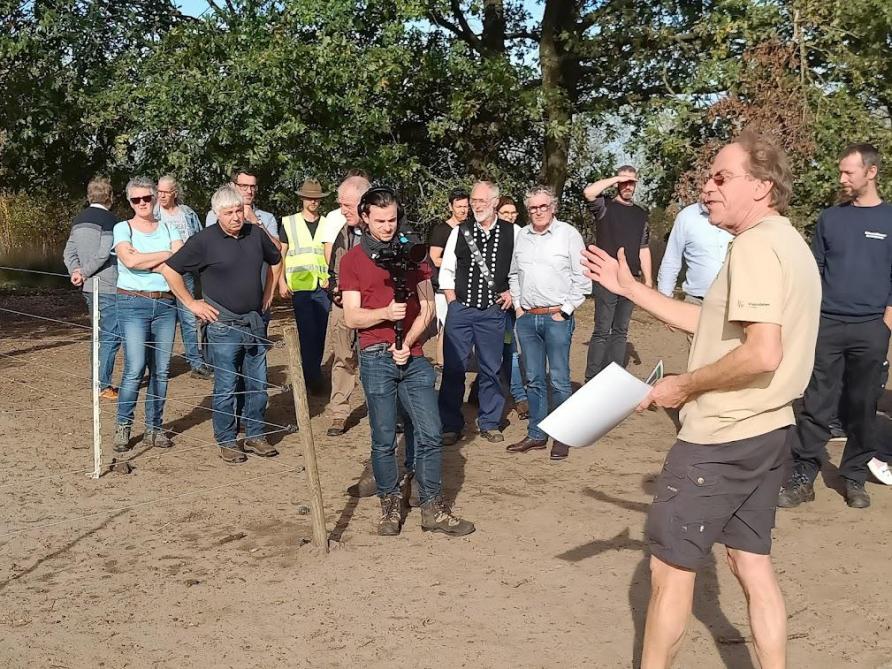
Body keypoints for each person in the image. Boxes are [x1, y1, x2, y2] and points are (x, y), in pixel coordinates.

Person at [582, 132, 820, 669]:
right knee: (751, 565)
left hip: (720, 437)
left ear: (762, 187)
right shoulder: (789, 243)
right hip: (768, 430)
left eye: (721, 177)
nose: (706, 186)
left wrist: (683, 386)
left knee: (668, 574)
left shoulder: (757, 246)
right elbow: (717, 327)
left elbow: (762, 353)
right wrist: (632, 289)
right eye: (708, 176)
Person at [339, 186, 474, 536]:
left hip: (412, 356)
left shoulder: (415, 255)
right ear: (365, 218)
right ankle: (389, 505)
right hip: (374, 357)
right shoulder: (352, 260)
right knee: (383, 438)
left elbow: (427, 307)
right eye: (381, 220)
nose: (388, 226)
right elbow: (352, 318)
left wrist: (408, 342)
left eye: (393, 219)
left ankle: (432, 507)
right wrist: (385, 313)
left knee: (430, 433)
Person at [778, 143, 892, 509]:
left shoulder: (890, 220)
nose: (842, 179)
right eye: (841, 172)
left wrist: (885, 326)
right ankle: (803, 475)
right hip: (827, 324)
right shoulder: (831, 219)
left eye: (849, 172)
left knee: (862, 405)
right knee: (816, 404)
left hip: (871, 328)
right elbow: (816, 272)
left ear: (871, 172)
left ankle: (854, 476)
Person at [159, 185, 282, 464]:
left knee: (258, 383)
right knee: (226, 385)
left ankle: (255, 434)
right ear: (217, 213)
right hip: (223, 325)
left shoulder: (255, 234)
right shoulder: (204, 240)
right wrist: (192, 304)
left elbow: (276, 259)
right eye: (229, 213)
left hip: (254, 321)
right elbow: (170, 270)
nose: (236, 217)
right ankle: (227, 440)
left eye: (239, 211)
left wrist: (268, 293)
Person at [506, 186, 590, 460]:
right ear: (528, 210)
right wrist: (519, 307)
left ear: (553, 207)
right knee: (533, 379)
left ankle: (563, 436)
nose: (538, 211)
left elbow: (583, 279)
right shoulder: (523, 237)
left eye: (543, 206)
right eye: (533, 207)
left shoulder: (568, 235)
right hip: (528, 317)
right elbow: (514, 274)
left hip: (556, 318)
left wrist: (564, 312)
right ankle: (537, 434)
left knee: (559, 379)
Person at [438, 180, 517, 444]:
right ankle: (450, 424)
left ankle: (490, 421)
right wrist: (452, 303)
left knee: (492, 368)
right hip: (460, 309)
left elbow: (520, 270)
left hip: (492, 312)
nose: (476, 206)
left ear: (495, 202)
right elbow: (447, 269)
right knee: (453, 368)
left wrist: (511, 293)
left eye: (481, 201)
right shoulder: (460, 231)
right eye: (473, 201)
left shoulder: (513, 232)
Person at [112, 177, 184, 453]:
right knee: (135, 367)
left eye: (147, 198)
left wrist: (151, 258)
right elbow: (129, 260)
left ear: (155, 198)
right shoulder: (123, 228)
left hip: (165, 304)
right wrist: (162, 259)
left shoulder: (169, 227)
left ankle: (155, 427)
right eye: (136, 199)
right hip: (132, 302)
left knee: (162, 369)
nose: (142, 203)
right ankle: (123, 426)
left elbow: (179, 260)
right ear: (129, 201)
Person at [582, 166, 653, 381]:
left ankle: (614, 378)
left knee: (621, 331)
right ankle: (592, 378)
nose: (628, 186)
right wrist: (616, 178)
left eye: (632, 182)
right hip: (606, 278)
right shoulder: (605, 207)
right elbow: (589, 192)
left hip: (630, 279)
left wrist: (648, 280)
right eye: (624, 182)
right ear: (617, 183)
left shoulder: (641, 214)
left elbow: (644, 247)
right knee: (603, 330)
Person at [62, 176, 121, 399]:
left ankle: (98, 380)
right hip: (108, 285)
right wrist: (84, 272)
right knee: (111, 335)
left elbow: (68, 253)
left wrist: (76, 272)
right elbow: (104, 253)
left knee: (98, 334)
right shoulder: (111, 221)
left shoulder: (78, 221)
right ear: (110, 196)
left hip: (87, 287)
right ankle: (103, 384)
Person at [324, 175, 370, 437]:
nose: (343, 211)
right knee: (343, 358)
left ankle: (385, 411)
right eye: (341, 204)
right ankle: (339, 413)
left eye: (348, 205)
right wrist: (334, 289)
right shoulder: (343, 231)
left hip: (373, 307)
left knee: (376, 359)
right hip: (343, 306)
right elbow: (333, 269)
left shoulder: (384, 231)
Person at [155, 175, 212, 380]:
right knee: (162, 319)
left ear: (174, 193)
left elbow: (200, 238)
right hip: (159, 273)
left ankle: (196, 364)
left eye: (165, 191)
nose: (161, 195)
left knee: (188, 317)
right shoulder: (152, 214)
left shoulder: (187, 213)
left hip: (186, 273)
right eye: (159, 191)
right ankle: (159, 365)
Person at [278, 178, 331, 394]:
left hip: (323, 285)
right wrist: (281, 281)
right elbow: (281, 253)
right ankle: (313, 378)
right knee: (307, 333)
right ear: (302, 198)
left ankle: (312, 372)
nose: (313, 201)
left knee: (320, 334)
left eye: (317, 198)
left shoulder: (328, 223)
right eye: (309, 197)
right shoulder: (289, 223)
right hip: (300, 287)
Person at [656, 201, 732, 304]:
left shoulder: (741, 214)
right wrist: (664, 302)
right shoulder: (687, 216)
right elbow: (671, 261)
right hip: (696, 302)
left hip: (737, 303)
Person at [428, 188, 470, 364]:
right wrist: (454, 263)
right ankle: (441, 363)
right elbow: (433, 258)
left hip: (464, 285)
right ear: (450, 207)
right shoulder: (441, 230)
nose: (463, 210)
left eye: (466, 206)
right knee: (446, 325)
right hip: (443, 287)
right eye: (459, 206)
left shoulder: (469, 228)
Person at [497, 194, 529, 417]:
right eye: (504, 213)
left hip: (520, 302)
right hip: (499, 304)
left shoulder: (523, 235)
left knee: (514, 349)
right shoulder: (492, 235)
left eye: (512, 212)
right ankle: (518, 395)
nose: (509, 217)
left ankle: (520, 396)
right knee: (502, 350)